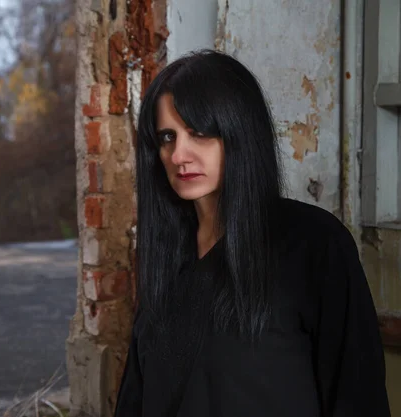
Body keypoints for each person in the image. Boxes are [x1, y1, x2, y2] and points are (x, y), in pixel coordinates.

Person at [114, 49, 391, 417]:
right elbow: (136, 398)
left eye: (199, 132)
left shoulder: (314, 244)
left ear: (239, 132)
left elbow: (358, 396)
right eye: (167, 136)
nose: (179, 154)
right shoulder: (167, 254)